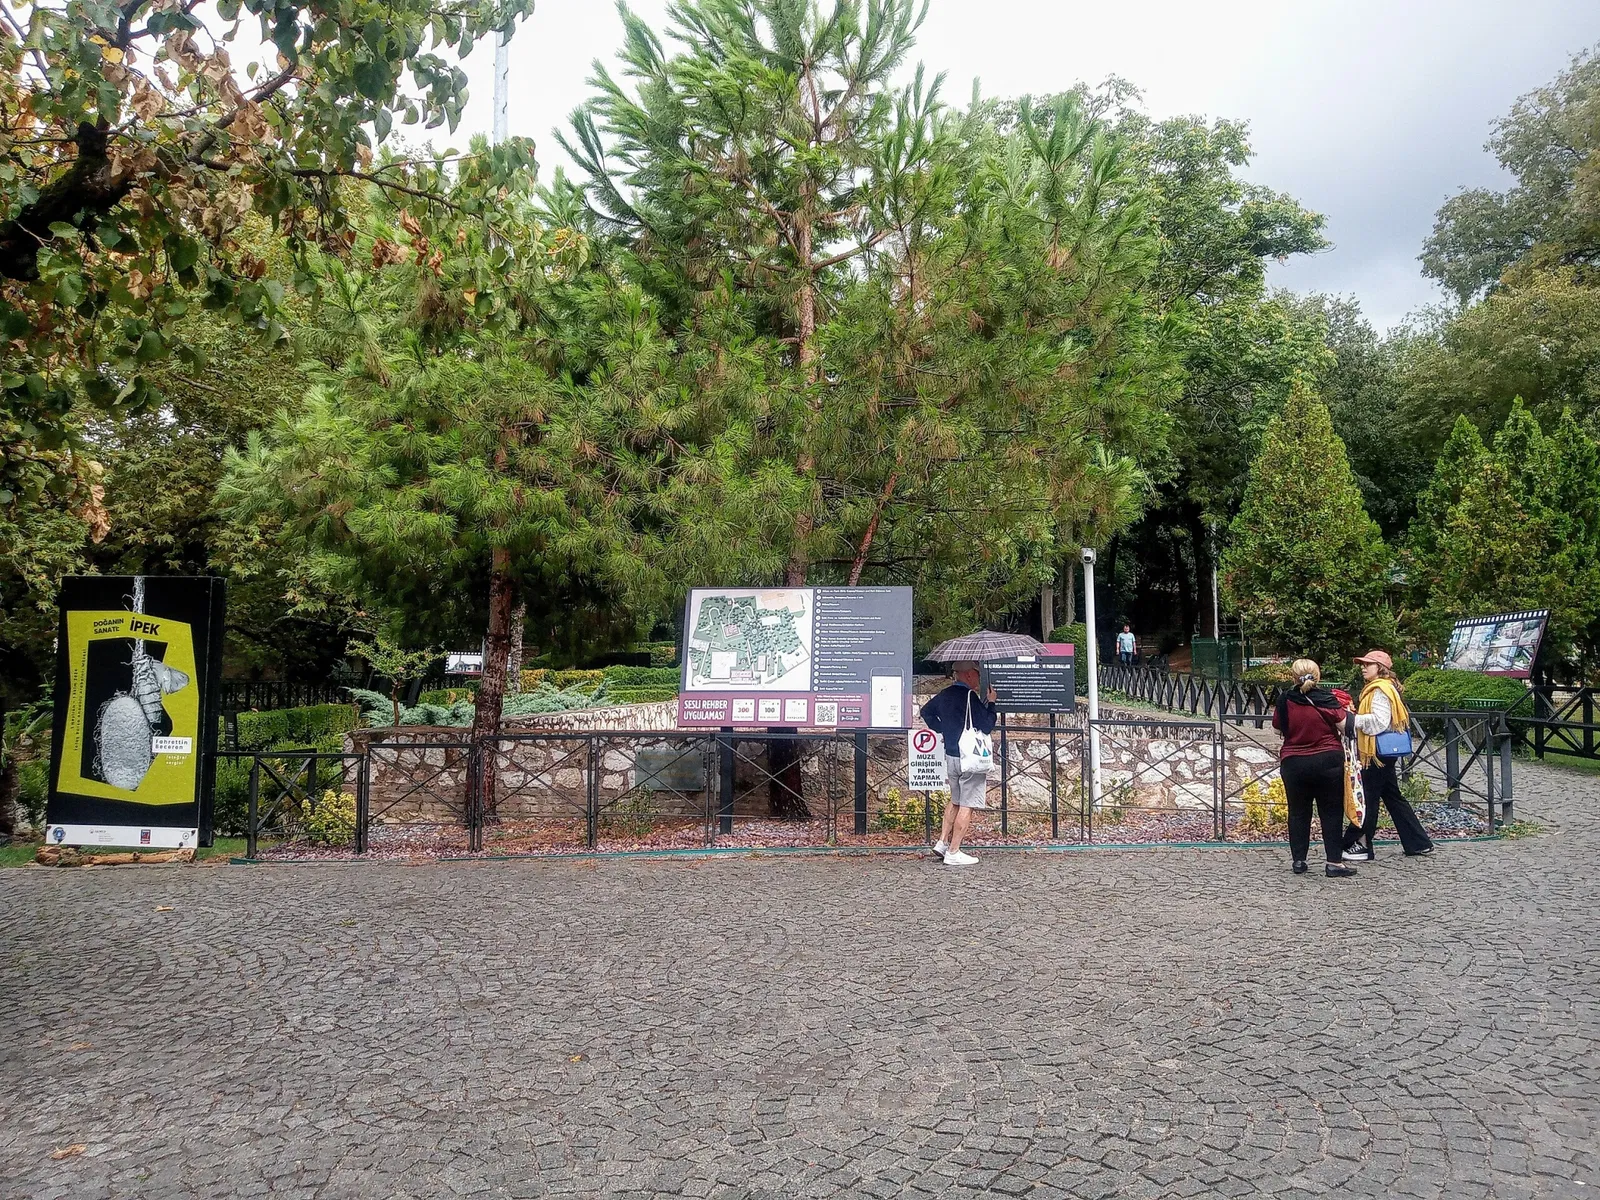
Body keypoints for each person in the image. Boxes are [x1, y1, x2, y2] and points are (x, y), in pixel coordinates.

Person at [1343, 650, 1434, 860]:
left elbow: (1379, 722)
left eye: (1368, 664)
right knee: (1393, 797)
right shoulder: (1383, 688)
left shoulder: (1379, 690)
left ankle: (1360, 844)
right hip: (1383, 752)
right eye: (1362, 664)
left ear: (1380, 668)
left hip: (1376, 753)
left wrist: (1352, 720)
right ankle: (1418, 842)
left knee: (1368, 798)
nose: (1363, 668)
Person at [1271, 658, 1358, 878]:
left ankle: (1299, 860)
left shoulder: (1284, 700)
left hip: (1293, 763)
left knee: (1298, 812)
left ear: (1293, 677)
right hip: (1327, 761)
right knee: (1331, 811)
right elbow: (1345, 725)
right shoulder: (1326, 699)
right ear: (1317, 676)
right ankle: (1334, 863)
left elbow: (1277, 729)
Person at [920, 661, 998, 866]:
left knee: (955, 799)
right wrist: (991, 703)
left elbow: (926, 711)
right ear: (970, 675)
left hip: (952, 755)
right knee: (967, 804)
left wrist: (942, 729)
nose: (979, 679)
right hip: (970, 758)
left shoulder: (945, 694)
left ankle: (942, 842)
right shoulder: (970, 697)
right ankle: (954, 852)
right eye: (978, 675)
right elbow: (987, 726)